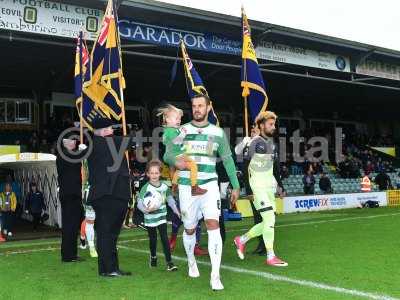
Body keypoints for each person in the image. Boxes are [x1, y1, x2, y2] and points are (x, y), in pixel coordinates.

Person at [178, 94, 240, 291]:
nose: (197, 109)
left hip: (210, 186)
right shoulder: (183, 130)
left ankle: (215, 275)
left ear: (208, 107)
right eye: (194, 106)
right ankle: (191, 261)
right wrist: (173, 159)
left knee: (213, 224)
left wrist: (236, 185)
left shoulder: (218, 133)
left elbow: (228, 160)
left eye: (200, 105)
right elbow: (169, 153)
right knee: (189, 228)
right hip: (187, 186)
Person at [234, 111, 288, 267]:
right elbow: (244, 167)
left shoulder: (271, 144)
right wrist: (248, 190)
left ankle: (241, 240)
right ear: (262, 125)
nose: (273, 127)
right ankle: (271, 256)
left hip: (269, 189)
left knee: (268, 221)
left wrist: (280, 186)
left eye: (274, 124)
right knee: (270, 219)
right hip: (257, 188)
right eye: (270, 124)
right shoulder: (255, 142)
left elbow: (276, 168)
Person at [82, 118, 134, 277]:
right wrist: (131, 130)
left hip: (108, 195)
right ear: (104, 131)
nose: (113, 131)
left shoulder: (96, 144)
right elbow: (130, 140)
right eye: (111, 128)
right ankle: (109, 268)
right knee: (108, 233)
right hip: (110, 195)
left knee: (107, 233)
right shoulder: (105, 143)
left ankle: (108, 268)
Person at [137, 160, 180, 271]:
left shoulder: (164, 187)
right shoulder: (146, 188)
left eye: (156, 173)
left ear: (160, 173)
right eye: (152, 173)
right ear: (147, 174)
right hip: (150, 218)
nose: (154, 175)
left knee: (165, 238)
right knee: (153, 239)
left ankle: (169, 263)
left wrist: (176, 210)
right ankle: (153, 256)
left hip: (161, 217)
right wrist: (146, 210)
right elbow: (139, 203)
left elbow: (170, 199)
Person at [158, 104, 207, 195]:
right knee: (193, 165)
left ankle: (175, 186)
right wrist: (183, 134)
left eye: (179, 119)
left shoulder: (171, 130)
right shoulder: (170, 130)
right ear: (168, 120)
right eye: (176, 118)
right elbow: (177, 141)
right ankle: (194, 187)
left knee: (182, 169)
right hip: (174, 155)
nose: (179, 121)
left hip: (173, 155)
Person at [56, 137, 84, 263]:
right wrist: (82, 151)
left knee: (72, 226)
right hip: (70, 194)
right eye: (72, 141)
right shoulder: (65, 155)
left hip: (73, 194)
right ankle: (68, 255)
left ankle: (71, 254)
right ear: (65, 143)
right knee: (69, 226)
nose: (75, 142)